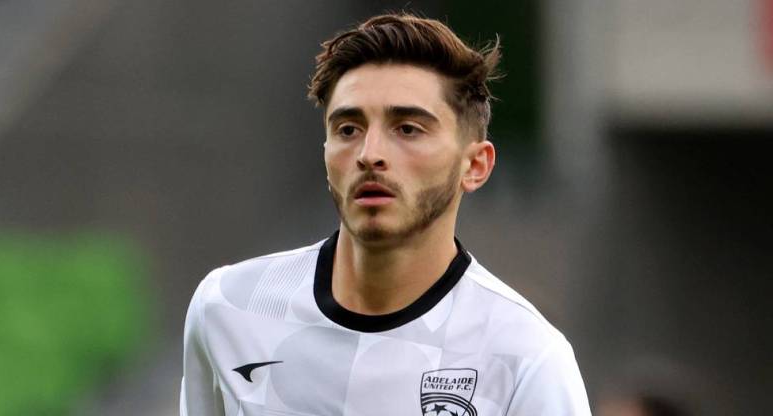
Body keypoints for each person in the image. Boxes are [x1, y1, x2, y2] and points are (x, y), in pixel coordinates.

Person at [181, 12, 591, 416]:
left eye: (408, 128)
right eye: (348, 129)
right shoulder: (228, 309)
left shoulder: (527, 358)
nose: (370, 154)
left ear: (475, 166)